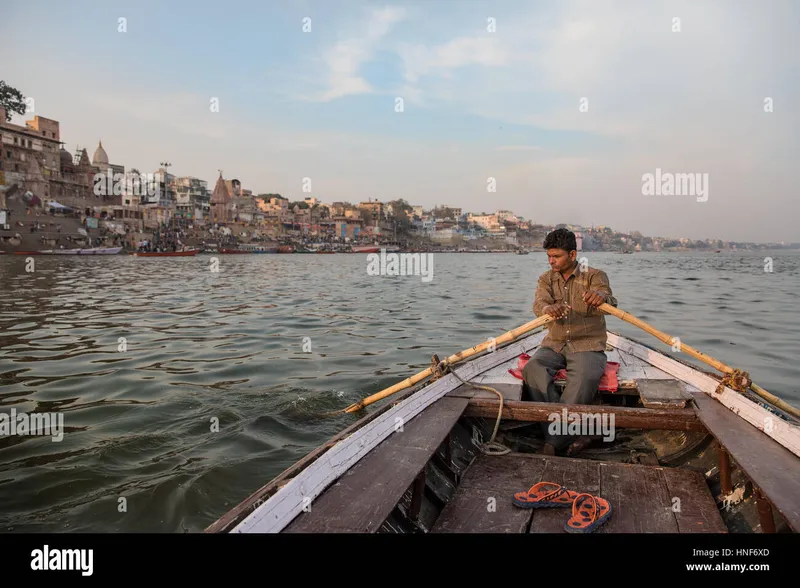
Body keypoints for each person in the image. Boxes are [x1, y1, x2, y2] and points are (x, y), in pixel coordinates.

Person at [522, 228, 618, 456]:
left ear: (573, 255)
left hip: (587, 345)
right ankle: (573, 433)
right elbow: (539, 305)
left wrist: (601, 298)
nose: (551, 261)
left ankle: (552, 443)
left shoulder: (594, 275)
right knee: (533, 369)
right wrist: (548, 308)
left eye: (557, 256)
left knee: (584, 378)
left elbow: (609, 299)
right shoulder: (546, 279)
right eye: (549, 256)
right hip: (554, 343)